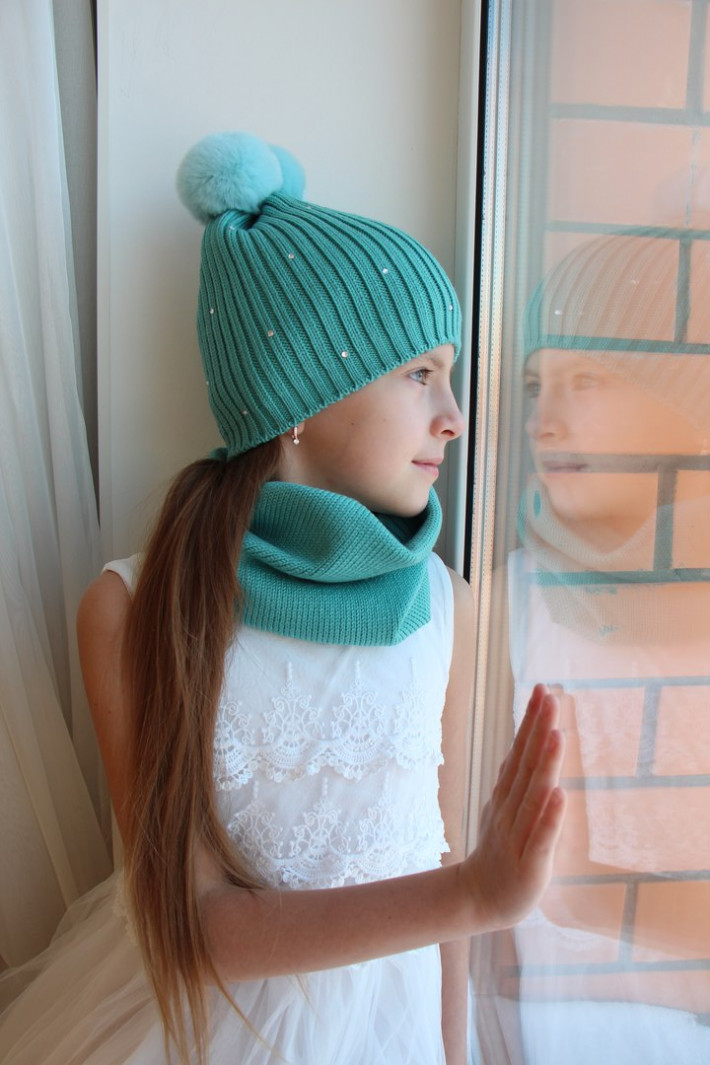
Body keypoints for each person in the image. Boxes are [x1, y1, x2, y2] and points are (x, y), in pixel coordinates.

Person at [0, 131, 565, 1065]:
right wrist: (474, 893)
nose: (454, 417)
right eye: (420, 373)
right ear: (302, 392)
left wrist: (454, 1044)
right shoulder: (135, 608)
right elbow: (192, 927)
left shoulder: (446, 606)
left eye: (450, 376)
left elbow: (442, 853)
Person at [489, 233, 710, 1064]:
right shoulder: (507, 604)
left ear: (686, 400)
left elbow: (564, 897)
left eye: (588, 379)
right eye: (536, 384)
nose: (543, 420)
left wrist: (590, 894)